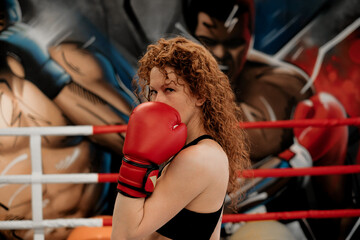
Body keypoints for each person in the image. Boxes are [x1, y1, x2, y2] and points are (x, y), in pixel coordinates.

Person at [180, 0, 351, 239]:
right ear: (192, 38)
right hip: (195, 217)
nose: (220, 54)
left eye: (234, 43)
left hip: (267, 220)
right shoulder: (172, 82)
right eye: (209, 42)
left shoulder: (280, 84)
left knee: (328, 112)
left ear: (249, 37)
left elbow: (257, 141)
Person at [111, 36, 250, 239]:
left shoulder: (198, 158)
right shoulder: (202, 150)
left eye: (169, 90)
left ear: (200, 95)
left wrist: (135, 164)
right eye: (153, 91)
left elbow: (123, 236)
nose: (158, 101)